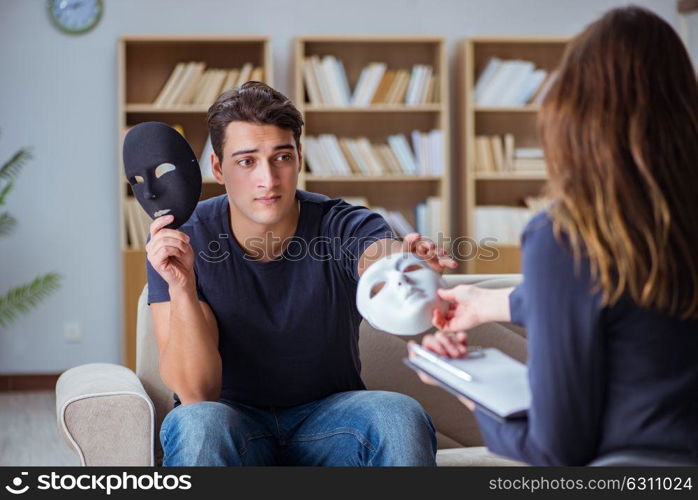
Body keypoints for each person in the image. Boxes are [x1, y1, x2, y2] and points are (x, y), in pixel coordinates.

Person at [411, 6, 698, 466]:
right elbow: (634, 306)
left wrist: (464, 383)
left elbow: (555, 451)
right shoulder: (663, 228)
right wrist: (487, 303)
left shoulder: (566, 237)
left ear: (571, 115)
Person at [146, 81, 456, 466]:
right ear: (217, 167)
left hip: (330, 418)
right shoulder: (182, 240)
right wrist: (182, 287)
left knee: (399, 415)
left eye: (282, 157)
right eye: (246, 161)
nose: (268, 180)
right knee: (196, 423)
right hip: (232, 421)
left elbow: (376, 255)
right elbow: (196, 392)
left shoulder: (341, 222)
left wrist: (402, 267)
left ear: (299, 157)